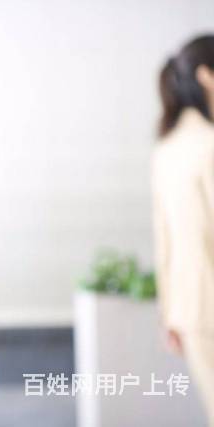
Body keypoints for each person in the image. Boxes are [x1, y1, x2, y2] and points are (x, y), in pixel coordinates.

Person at [152, 35, 214, 425]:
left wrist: (168, 313)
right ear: (206, 76)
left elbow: (165, 241)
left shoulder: (167, 147)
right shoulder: (209, 144)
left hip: (190, 310)